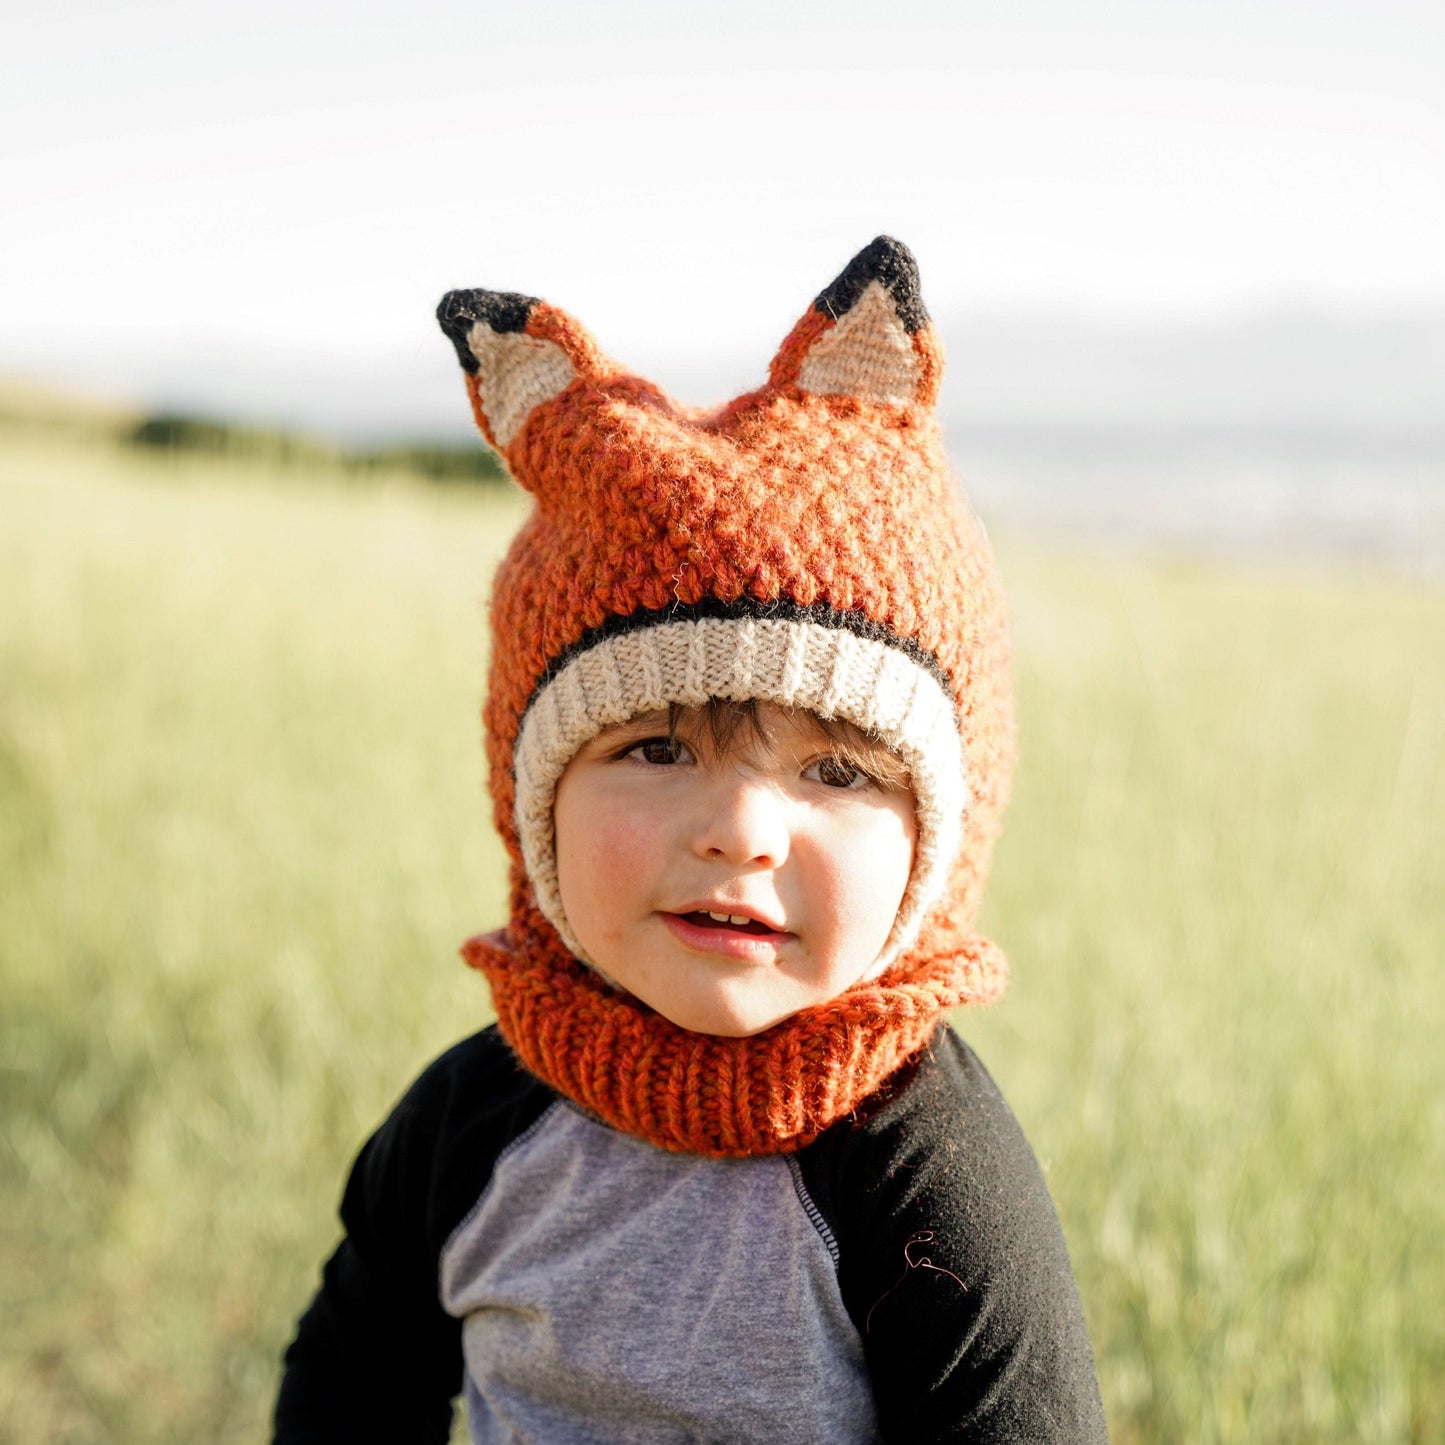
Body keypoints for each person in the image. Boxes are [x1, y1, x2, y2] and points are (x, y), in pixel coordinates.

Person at [274, 237, 1108, 1443]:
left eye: (833, 770)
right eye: (657, 749)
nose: (738, 832)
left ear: (940, 842)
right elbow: (350, 1379)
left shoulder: (920, 1173)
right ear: (532, 802)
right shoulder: (478, 1125)